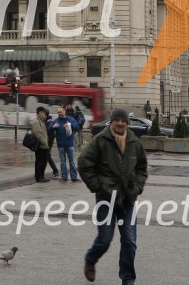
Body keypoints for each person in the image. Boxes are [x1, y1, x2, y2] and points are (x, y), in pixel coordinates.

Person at [78, 108, 148, 285]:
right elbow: (84, 164)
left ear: (127, 123)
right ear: (112, 121)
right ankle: (90, 259)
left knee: (130, 242)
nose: (120, 123)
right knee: (104, 239)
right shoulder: (100, 140)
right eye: (117, 120)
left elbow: (142, 168)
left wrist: (137, 187)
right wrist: (98, 187)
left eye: (123, 121)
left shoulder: (134, 142)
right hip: (106, 199)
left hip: (128, 199)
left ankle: (128, 279)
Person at [49, 106, 80, 182]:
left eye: (60, 112)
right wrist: (53, 127)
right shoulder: (56, 121)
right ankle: (64, 177)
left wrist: (70, 125)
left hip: (70, 144)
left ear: (64, 112)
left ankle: (74, 177)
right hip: (61, 145)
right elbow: (49, 130)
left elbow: (77, 127)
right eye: (58, 112)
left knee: (72, 161)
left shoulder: (70, 120)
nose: (59, 113)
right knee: (62, 162)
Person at [30, 106, 50, 182]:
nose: (44, 114)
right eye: (42, 112)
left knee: (43, 162)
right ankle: (39, 177)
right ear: (38, 113)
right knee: (39, 162)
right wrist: (44, 142)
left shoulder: (41, 121)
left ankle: (41, 176)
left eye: (44, 112)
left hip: (44, 146)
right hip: (40, 146)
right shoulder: (36, 122)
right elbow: (37, 134)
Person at [42, 108, 60, 179]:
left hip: (48, 142)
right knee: (47, 156)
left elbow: (52, 133)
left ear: (46, 114)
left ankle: (54, 171)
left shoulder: (49, 122)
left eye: (43, 113)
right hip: (46, 141)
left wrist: (46, 140)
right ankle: (55, 171)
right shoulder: (45, 121)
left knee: (46, 156)